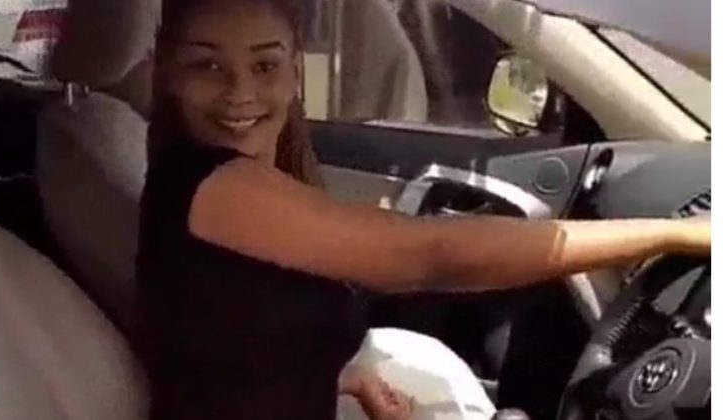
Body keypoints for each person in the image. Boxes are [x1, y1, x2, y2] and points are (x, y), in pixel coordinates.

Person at [136, 0, 710, 419]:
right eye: (207, 66)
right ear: (169, 75)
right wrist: (673, 234)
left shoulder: (236, 182)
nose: (239, 92)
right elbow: (434, 255)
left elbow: (217, 336)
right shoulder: (215, 186)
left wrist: (340, 374)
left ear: (294, 74)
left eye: (264, 65)